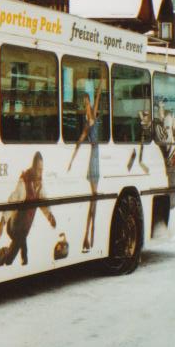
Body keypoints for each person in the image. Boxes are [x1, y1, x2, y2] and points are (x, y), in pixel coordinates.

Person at [0, 152, 56, 275]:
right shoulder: (24, 183)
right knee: (10, 258)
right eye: (38, 169)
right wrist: (2, 222)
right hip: (14, 226)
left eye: (42, 170)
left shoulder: (40, 185)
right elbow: (12, 201)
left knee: (22, 243)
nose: (40, 173)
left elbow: (44, 201)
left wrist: (50, 216)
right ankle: (0, 257)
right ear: (33, 168)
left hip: (23, 229)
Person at [67, 85, 103, 252]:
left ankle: (90, 235)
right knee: (93, 198)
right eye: (84, 103)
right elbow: (80, 141)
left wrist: (101, 84)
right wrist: (72, 160)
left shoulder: (92, 115)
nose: (86, 105)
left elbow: (98, 98)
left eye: (86, 101)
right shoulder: (87, 122)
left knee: (94, 198)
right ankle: (89, 235)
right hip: (93, 158)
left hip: (95, 156)